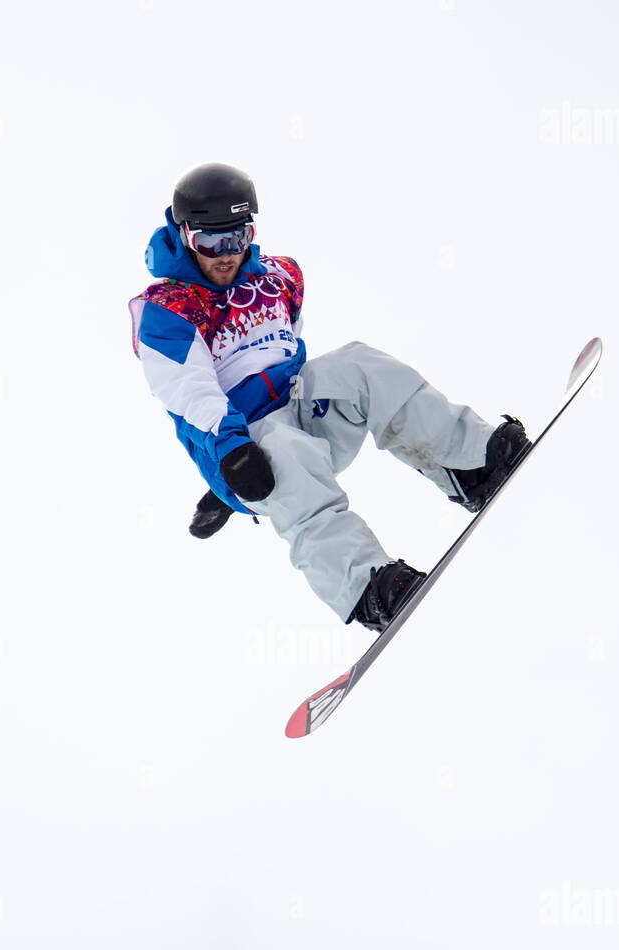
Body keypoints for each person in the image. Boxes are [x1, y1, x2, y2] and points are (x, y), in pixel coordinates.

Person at [129, 163, 530, 632]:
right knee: (285, 450)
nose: (226, 256)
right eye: (210, 243)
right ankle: (366, 586)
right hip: (245, 448)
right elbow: (194, 395)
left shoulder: (279, 279)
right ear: (184, 235)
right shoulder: (166, 312)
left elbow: (291, 351)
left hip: (301, 414)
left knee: (359, 365)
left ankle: (471, 463)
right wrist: (230, 459)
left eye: (237, 239)